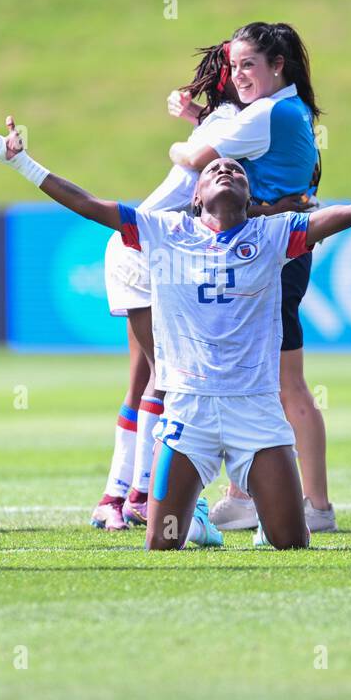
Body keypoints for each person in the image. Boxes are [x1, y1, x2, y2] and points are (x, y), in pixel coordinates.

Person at [0, 115, 351, 549]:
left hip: (255, 411)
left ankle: (259, 512)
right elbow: (85, 202)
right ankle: (193, 507)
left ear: (248, 195)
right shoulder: (162, 230)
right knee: (161, 544)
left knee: (290, 543)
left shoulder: (274, 233)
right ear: (194, 196)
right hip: (188, 411)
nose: (225, 168)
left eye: (237, 170)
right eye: (216, 166)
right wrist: (19, 161)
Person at [165, 22, 335, 535]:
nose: (237, 75)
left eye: (248, 65)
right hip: (269, 251)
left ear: (276, 66)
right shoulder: (285, 110)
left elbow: (196, 158)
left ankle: (316, 507)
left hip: (271, 256)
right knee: (259, 379)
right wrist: (203, 117)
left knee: (285, 385)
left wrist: (187, 139)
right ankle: (243, 496)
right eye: (233, 66)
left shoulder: (269, 112)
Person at [92, 40, 241, 531]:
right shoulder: (235, 126)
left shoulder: (220, 123)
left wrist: (195, 115)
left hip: (139, 245)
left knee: (145, 378)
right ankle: (136, 493)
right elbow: (205, 163)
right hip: (149, 250)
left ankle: (117, 497)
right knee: (167, 377)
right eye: (239, 69)